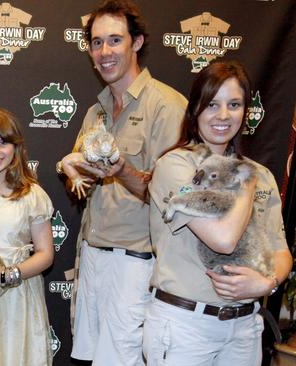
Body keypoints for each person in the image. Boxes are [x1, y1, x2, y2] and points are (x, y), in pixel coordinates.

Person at [56, 0, 188, 364]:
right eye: (97, 43)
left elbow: (175, 200)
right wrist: (78, 175)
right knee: (88, 358)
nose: (105, 52)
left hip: (136, 264)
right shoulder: (95, 112)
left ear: (137, 42)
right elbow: (77, 189)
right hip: (93, 257)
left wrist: (122, 171)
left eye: (115, 40)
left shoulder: (167, 107)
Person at [144, 60, 292, 365]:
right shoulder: (177, 166)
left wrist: (268, 283)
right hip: (186, 326)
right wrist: (244, 181)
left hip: (245, 328)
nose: (223, 115)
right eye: (212, 104)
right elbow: (223, 240)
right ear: (195, 109)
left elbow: (281, 252)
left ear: (245, 111)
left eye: (234, 104)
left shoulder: (261, 174)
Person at [0, 108, 54, 366]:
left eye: (3, 143)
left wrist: (6, 275)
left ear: (16, 146)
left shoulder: (32, 194)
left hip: (18, 296)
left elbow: (46, 254)